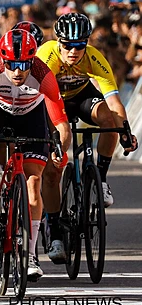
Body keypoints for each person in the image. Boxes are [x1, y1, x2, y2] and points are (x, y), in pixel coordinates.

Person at [0, 29, 72, 281]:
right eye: (12, 64)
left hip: (31, 117)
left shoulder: (42, 74)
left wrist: (62, 150)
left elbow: (61, 123)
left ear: (32, 60)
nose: (17, 71)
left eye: (24, 64)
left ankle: (32, 253)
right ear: (2, 59)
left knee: (33, 181)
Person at [36, 13, 138, 264]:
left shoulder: (94, 57)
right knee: (52, 169)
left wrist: (124, 131)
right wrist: (54, 138)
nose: (73, 51)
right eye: (68, 46)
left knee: (109, 119)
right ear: (58, 42)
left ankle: (100, 178)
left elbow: (114, 102)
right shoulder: (46, 56)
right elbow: (39, 100)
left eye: (79, 45)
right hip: (52, 101)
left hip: (81, 96)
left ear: (86, 44)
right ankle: (55, 230)